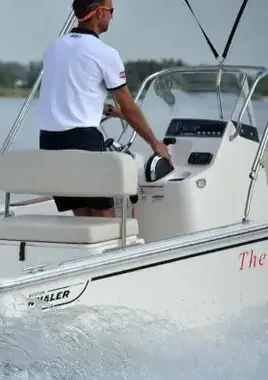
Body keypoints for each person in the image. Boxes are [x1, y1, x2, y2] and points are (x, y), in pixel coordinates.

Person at [35, 0, 171, 218]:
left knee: (82, 214)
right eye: (111, 11)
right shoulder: (105, 53)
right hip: (82, 141)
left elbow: (71, 94)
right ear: (98, 13)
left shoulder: (54, 47)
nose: (112, 17)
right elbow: (128, 105)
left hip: (49, 141)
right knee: (104, 214)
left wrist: (109, 111)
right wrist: (155, 144)